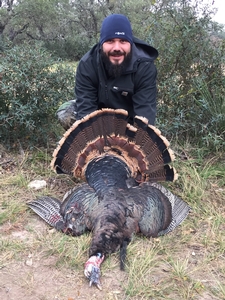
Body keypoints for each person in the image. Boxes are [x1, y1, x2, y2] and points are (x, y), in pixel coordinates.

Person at [57, 14, 158, 130]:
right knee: (66, 113)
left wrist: (136, 141)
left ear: (131, 44)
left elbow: (144, 115)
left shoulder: (144, 66)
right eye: (110, 41)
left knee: (146, 136)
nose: (117, 48)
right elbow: (86, 109)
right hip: (98, 118)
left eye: (123, 41)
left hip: (129, 121)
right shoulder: (87, 64)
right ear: (101, 44)